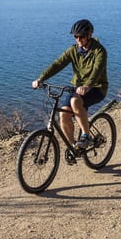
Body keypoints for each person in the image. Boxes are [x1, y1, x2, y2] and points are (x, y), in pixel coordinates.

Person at [32, 18, 108, 149]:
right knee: (64, 114)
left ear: (90, 35)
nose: (78, 39)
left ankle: (86, 136)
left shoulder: (99, 51)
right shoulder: (73, 50)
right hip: (78, 89)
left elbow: (97, 71)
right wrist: (41, 79)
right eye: (76, 37)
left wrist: (87, 86)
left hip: (97, 88)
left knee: (74, 101)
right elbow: (58, 64)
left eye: (81, 36)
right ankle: (74, 147)